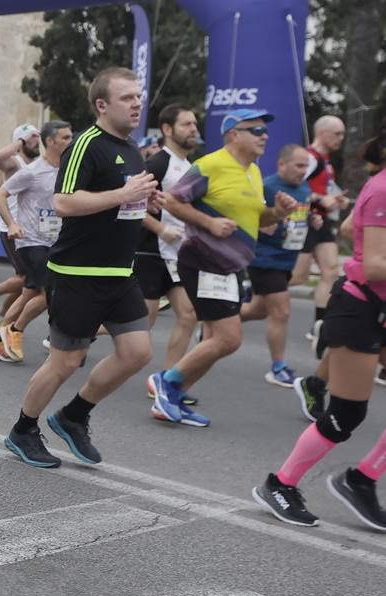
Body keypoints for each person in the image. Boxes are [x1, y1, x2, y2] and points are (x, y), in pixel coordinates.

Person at [1, 66, 158, 469]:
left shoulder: (133, 148)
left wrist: (143, 202)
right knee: (66, 361)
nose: (137, 103)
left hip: (120, 273)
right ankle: (23, 429)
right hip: (78, 274)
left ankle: (73, 416)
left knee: (137, 352)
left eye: (139, 96)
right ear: (102, 104)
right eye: (128, 97)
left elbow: (122, 203)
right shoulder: (86, 144)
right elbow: (64, 202)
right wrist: (125, 192)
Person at [253, 154, 386, 532]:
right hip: (360, 310)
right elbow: (374, 265)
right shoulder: (382, 190)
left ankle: (360, 480)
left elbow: (346, 227)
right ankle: (280, 485)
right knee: (346, 415)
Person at [148, 109, 297, 427]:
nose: (264, 136)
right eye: (256, 130)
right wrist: (209, 222)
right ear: (233, 134)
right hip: (204, 260)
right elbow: (172, 201)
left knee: (214, 338)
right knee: (229, 339)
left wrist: (279, 213)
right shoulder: (210, 165)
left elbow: (258, 219)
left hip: (231, 266)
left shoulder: (253, 171)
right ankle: (166, 381)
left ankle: (174, 396)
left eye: (265, 130)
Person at [0, 121, 72, 363]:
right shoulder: (32, 171)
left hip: (53, 240)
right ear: (51, 141)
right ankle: (14, 331)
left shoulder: (66, 170)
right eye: (65, 138)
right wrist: (12, 224)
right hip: (31, 241)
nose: (70, 141)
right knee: (50, 293)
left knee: (30, 291)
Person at [134, 106, 203, 397]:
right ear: (167, 129)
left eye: (195, 123)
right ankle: (78, 334)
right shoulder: (159, 163)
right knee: (141, 321)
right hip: (151, 251)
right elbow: (132, 205)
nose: (193, 128)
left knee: (188, 316)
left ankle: (166, 382)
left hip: (178, 255)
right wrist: (161, 229)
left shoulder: (192, 166)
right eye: (186, 124)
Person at [242, 144, 314, 389]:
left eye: (306, 166)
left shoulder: (304, 188)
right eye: (299, 165)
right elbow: (247, 214)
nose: (304, 171)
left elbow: (301, 216)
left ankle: (216, 321)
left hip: (286, 259)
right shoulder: (267, 186)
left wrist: (313, 219)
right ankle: (278, 367)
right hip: (263, 258)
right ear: (282, 164)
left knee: (258, 311)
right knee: (281, 311)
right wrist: (261, 223)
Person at [292, 115, 351, 341]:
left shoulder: (325, 160)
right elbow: (292, 185)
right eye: (337, 134)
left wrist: (334, 200)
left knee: (331, 271)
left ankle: (320, 324)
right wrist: (320, 199)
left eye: (343, 134)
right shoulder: (310, 157)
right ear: (322, 133)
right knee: (297, 277)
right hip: (305, 220)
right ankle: (254, 290)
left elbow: (320, 191)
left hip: (322, 221)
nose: (341, 139)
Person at [0, 124, 41, 324]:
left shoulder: (37, 165)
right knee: (28, 280)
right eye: (33, 136)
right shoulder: (15, 163)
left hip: (30, 231)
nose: (37, 140)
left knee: (27, 285)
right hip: (11, 229)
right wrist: (20, 140)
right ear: (21, 141)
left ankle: (2, 320)